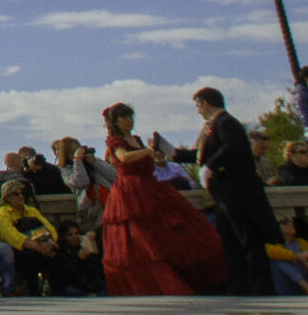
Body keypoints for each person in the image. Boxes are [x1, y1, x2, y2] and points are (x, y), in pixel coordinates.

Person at [96, 103, 225, 294]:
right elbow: (123, 157)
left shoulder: (136, 139)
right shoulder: (115, 141)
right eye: (124, 117)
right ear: (116, 122)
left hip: (150, 187)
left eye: (131, 116)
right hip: (130, 193)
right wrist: (148, 151)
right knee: (141, 238)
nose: (129, 120)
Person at [180, 88, 279, 296]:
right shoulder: (213, 127)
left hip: (238, 193)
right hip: (223, 197)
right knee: (230, 243)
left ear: (206, 103)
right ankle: (237, 289)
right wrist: (173, 153)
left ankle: (262, 289)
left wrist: (211, 167)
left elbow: (232, 148)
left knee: (249, 240)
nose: (198, 111)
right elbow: (200, 155)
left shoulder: (227, 123)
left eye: (198, 106)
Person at [0, 177, 71, 294]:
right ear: (7, 197)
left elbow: (49, 227)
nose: (21, 196)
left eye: (22, 193)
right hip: (19, 248)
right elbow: (9, 234)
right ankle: (33, 291)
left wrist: (49, 243)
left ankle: (58, 291)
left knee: (56, 254)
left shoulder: (31, 210)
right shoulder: (3, 212)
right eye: (16, 194)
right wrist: (36, 247)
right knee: (29, 257)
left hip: (40, 244)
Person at [267, 210, 308, 297]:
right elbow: (271, 252)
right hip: (287, 285)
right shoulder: (272, 244)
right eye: (285, 222)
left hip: (306, 277)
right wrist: (300, 258)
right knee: (280, 261)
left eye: (291, 222)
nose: (290, 224)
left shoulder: (300, 242)